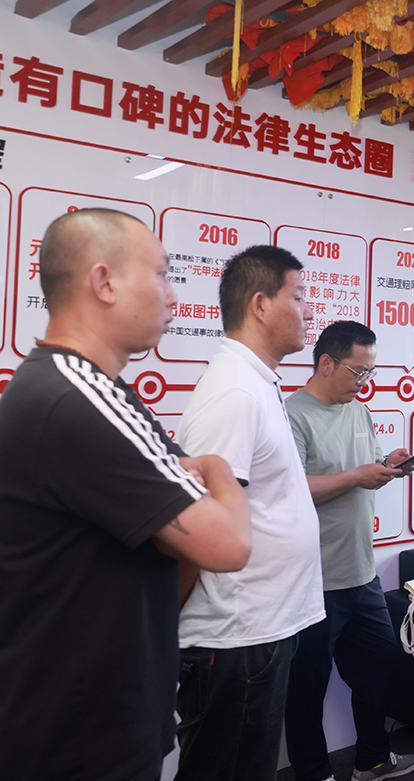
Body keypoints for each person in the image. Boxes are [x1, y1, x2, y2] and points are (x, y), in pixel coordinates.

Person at [0, 208, 251, 781]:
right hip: (77, 737)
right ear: (104, 282)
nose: (173, 295)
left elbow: (172, 532)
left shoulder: (88, 389)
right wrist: (217, 466)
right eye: (161, 274)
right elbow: (228, 543)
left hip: (90, 720)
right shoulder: (77, 397)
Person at [175, 245, 327, 780]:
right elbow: (197, 524)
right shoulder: (234, 392)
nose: (309, 310)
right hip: (234, 637)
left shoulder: (257, 382)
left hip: (259, 631)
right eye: (299, 297)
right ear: (260, 305)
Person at [284, 320, 414, 781]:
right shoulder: (292, 414)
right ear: (326, 363)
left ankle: (372, 760)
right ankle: (313, 773)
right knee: (307, 689)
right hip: (313, 580)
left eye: (370, 372)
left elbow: (364, 468)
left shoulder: (358, 411)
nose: (365, 381)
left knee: (380, 667)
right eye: (359, 371)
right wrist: (357, 476)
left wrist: (386, 466)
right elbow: (293, 489)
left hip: (361, 574)